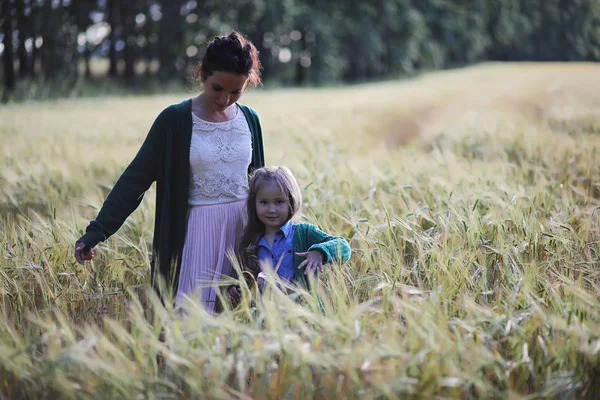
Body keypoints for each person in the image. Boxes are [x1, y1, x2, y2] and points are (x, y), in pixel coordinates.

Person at [74, 31, 265, 313]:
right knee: (190, 321)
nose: (225, 99)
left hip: (242, 235)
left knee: (238, 322)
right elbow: (134, 180)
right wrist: (96, 232)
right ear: (202, 75)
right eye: (217, 88)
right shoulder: (174, 120)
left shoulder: (250, 119)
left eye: (236, 91)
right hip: (193, 235)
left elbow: (262, 185)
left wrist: (271, 239)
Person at [229, 166, 351, 303]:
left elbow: (344, 247)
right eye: (264, 202)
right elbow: (247, 278)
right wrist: (238, 289)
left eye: (279, 202)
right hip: (266, 317)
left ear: (291, 201)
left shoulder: (304, 233)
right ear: (254, 203)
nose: (271, 209)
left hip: (303, 314)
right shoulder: (251, 240)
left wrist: (320, 252)